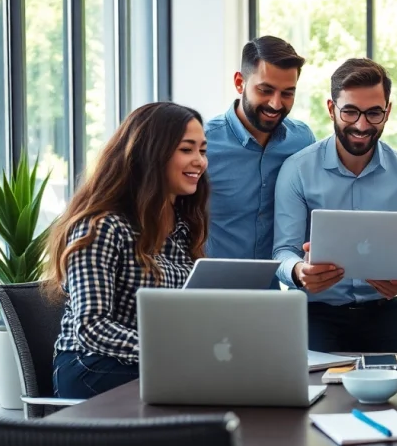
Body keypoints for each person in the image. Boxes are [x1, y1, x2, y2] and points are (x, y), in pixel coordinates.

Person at [46, 103, 209, 399]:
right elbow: (91, 327)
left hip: (154, 362)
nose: (199, 161)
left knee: (228, 378)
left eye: (202, 150)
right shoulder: (100, 227)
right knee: (208, 386)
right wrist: (167, 351)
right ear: (151, 153)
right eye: (187, 150)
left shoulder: (183, 227)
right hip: (91, 366)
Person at [273, 58, 397, 352]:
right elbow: (282, 252)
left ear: (387, 111)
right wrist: (298, 272)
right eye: (350, 111)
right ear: (332, 109)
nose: (362, 125)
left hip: (383, 308)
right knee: (304, 376)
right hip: (315, 310)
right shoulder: (297, 169)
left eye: (374, 113)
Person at [204, 36, 315, 271]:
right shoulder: (204, 143)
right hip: (208, 290)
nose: (275, 104)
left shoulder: (302, 140)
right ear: (239, 82)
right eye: (265, 90)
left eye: (287, 93)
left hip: (271, 293)